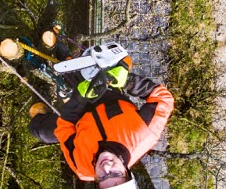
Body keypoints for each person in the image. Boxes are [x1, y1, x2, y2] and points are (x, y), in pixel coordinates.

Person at [28, 54, 174, 188]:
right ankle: (61, 48)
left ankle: (36, 88)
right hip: (108, 95)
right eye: (116, 173)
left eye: (103, 177)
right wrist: (128, 81)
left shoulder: (82, 168)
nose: (106, 168)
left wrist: (78, 98)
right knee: (69, 62)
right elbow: (163, 99)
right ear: (126, 171)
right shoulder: (143, 135)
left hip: (78, 117)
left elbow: (64, 128)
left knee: (39, 130)